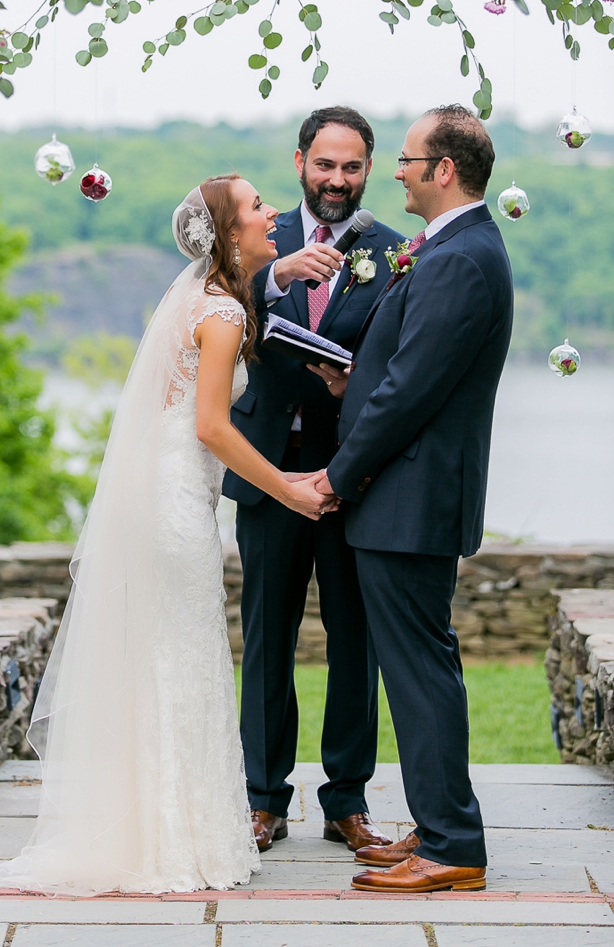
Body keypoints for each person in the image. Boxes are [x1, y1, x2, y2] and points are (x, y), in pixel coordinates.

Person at [0, 174, 337, 897]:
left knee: (165, 655)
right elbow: (211, 425)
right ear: (232, 232)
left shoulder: (207, 300)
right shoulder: (223, 316)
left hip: (166, 488)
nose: (273, 213)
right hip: (176, 501)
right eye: (257, 207)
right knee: (183, 653)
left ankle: (155, 829)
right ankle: (177, 841)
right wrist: (289, 489)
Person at [313, 105, 514, 893]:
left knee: (422, 673)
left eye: (403, 159)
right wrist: (351, 375)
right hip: (404, 497)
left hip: (412, 496)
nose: (393, 171)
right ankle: (437, 826)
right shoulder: (445, 248)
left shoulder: (462, 258)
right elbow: (397, 369)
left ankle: (454, 847)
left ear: (444, 171)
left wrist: (334, 475)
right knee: (414, 669)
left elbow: (410, 394)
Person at [223, 106, 401, 854]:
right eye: (324, 164)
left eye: (351, 166)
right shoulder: (258, 240)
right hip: (269, 471)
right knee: (267, 636)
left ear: (367, 169)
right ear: (299, 161)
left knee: (354, 641)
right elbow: (210, 319)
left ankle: (347, 801)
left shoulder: (397, 252)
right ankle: (263, 798)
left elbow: (403, 363)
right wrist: (269, 280)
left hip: (353, 476)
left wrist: (349, 389)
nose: (336, 179)